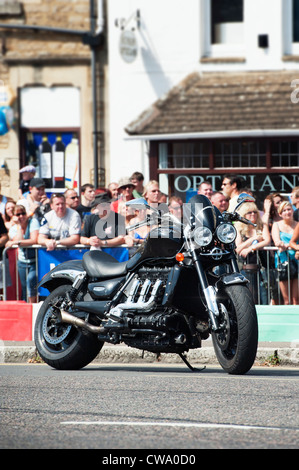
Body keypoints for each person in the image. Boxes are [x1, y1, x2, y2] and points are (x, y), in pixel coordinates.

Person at [235, 201, 271, 304]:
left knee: (264, 296)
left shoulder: (261, 226)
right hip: (244, 268)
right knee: (249, 296)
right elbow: (238, 249)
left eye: (255, 212)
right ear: (244, 215)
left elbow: (267, 241)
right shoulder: (239, 229)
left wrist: (251, 248)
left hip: (261, 267)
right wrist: (253, 239)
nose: (253, 214)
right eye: (249, 212)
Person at [6, 204, 40, 303]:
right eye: (18, 214)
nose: (21, 216)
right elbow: (19, 239)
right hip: (22, 262)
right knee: (25, 287)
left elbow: (34, 240)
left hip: (35, 261)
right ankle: (27, 308)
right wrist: (19, 226)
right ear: (14, 216)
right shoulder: (14, 228)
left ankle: (33, 306)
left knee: (31, 281)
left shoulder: (33, 222)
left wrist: (17, 242)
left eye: (23, 213)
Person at [271, 201, 298, 305]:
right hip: (283, 262)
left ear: (293, 210)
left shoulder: (297, 225)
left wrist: (286, 245)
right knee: (287, 300)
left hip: (297, 260)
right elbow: (277, 241)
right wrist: (285, 245)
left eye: (289, 209)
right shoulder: (276, 225)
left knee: (296, 299)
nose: (287, 212)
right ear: (280, 213)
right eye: (284, 210)